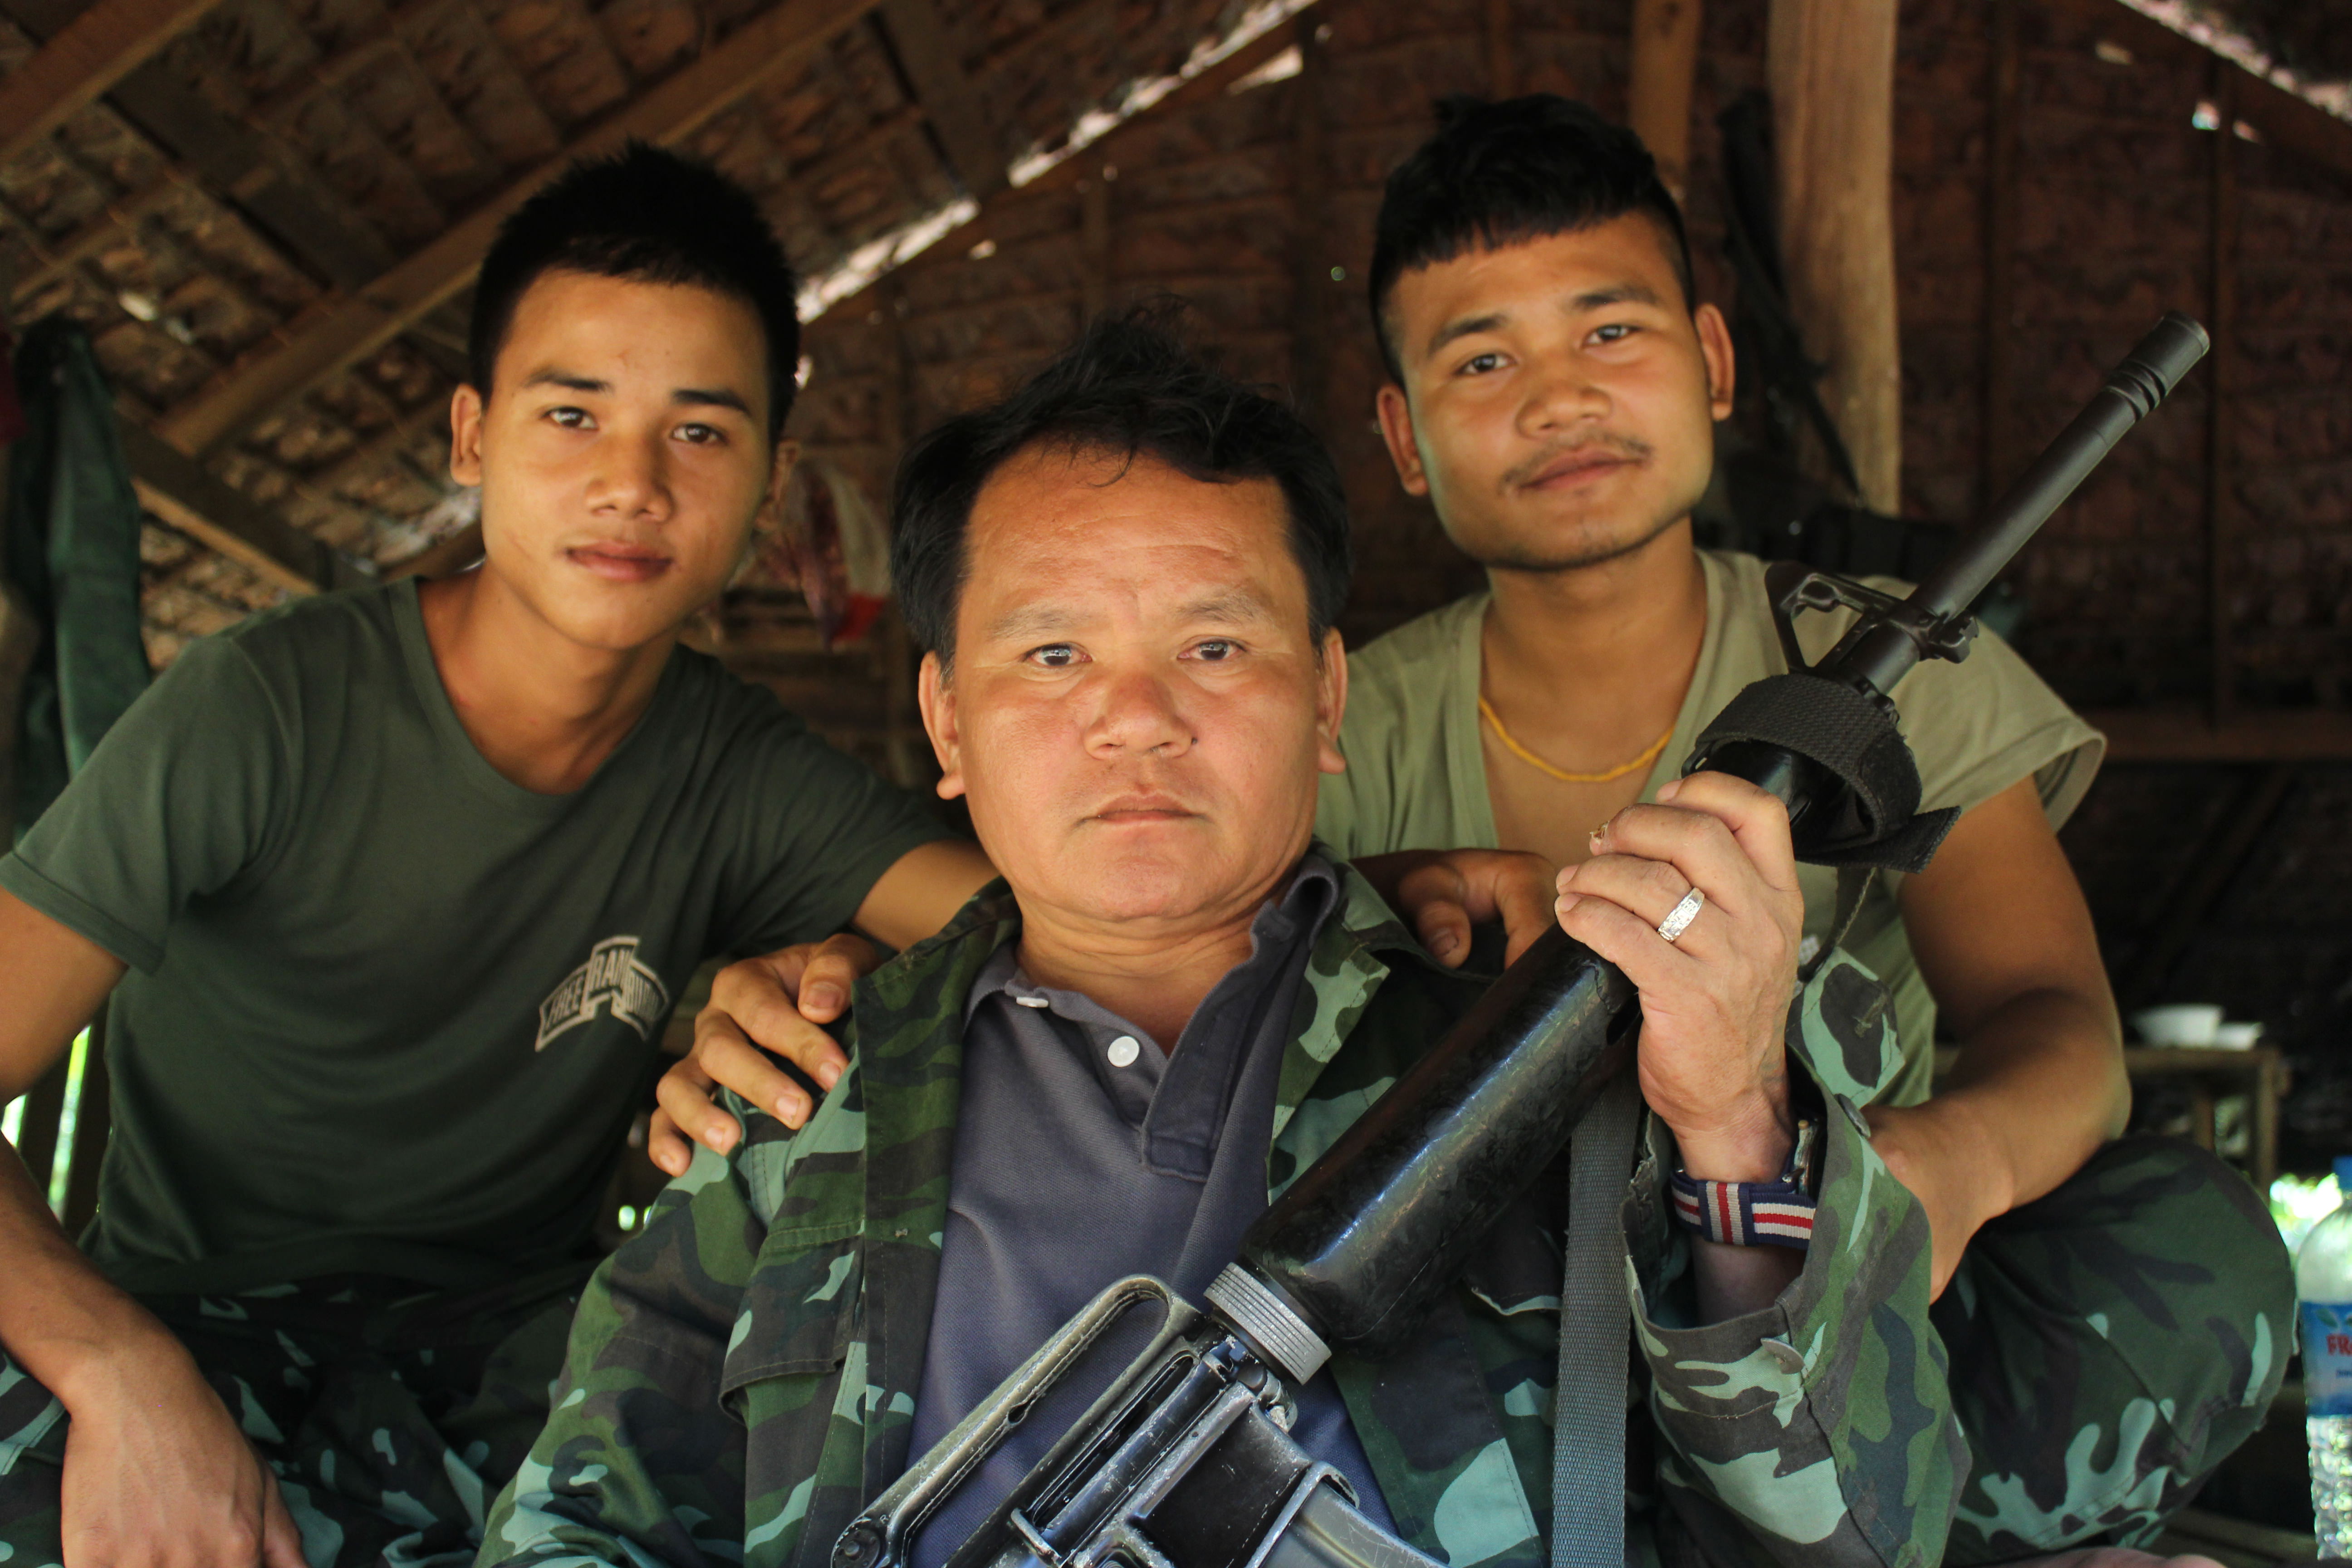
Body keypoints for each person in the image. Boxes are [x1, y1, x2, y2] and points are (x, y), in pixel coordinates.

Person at [475, 311, 1988, 1568]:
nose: (1136, 716)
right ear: (946, 720)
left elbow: (1861, 1545)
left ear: (1328, 697)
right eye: (1053, 652)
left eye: (1215, 644)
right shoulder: (804, 1091)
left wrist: (1731, 1130)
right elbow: (583, 1522)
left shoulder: (1566, 1043)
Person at [0, 144, 1008, 1567]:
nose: (632, 483)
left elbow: (1054, 933)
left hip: (525, 1359)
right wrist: (122, 1374)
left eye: (701, 432)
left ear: (773, 481)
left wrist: (850, 970)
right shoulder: (264, 709)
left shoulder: (739, 770)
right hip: (194, 1319)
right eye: (573, 414)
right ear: (472, 435)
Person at [1320, 94, 2289, 1558]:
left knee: (2195, 1251)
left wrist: (1944, 1170)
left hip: (1843, 1311)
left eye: (1610, 331)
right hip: (1490, 1353)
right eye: (1481, 358)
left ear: (1711, 362)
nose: (1557, 398)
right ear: (1403, 436)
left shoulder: (1891, 671)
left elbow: (2057, 1030)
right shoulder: (1334, 738)